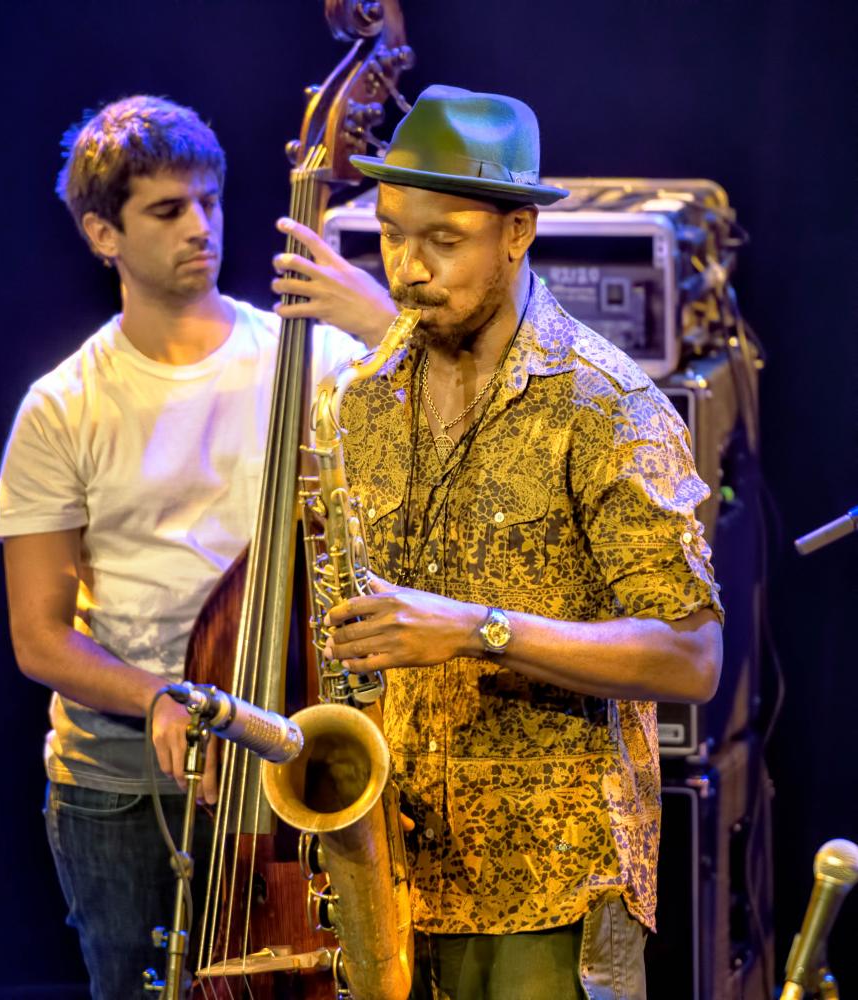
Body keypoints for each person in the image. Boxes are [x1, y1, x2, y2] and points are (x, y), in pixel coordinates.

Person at [320, 85, 725, 1000]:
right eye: (391, 234)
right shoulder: (359, 398)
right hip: (398, 873)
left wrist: (476, 628)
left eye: (443, 241)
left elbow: (693, 657)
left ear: (517, 233)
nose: (408, 270)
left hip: (553, 884)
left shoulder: (608, 405)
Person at [0, 94, 394, 998]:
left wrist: (380, 325)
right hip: (127, 787)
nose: (200, 227)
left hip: (287, 754)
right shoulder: (62, 406)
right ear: (104, 233)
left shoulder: (313, 358)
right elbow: (40, 636)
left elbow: (451, 432)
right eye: (167, 210)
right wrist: (161, 699)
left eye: (209, 202)